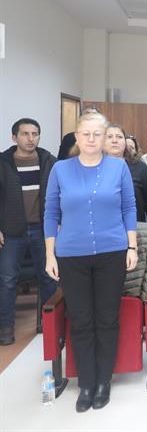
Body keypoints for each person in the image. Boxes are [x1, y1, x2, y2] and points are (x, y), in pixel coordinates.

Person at [44, 111, 138, 412]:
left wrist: (132, 246)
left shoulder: (118, 167)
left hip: (112, 252)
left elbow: (129, 207)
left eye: (98, 134)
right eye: (86, 134)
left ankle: (103, 381)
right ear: (77, 136)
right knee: (81, 320)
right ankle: (86, 381)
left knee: (107, 319)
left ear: (105, 137)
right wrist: (50, 254)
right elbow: (51, 213)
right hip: (71, 255)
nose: (92, 139)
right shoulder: (60, 169)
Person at [0, 118, 57, 346]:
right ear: (14, 137)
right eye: (25, 134)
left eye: (35, 134)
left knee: (48, 277)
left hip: (42, 230)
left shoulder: (49, 162)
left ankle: (49, 323)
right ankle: (6, 328)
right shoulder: (3, 163)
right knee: (7, 280)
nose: (31, 138)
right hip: (11, 231)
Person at [104, 124, 147, 224]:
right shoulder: (94, 167)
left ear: (125, 143)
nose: (114, 140)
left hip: (135, 227)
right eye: (109, 137)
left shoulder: (140, 167)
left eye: (119, 137)